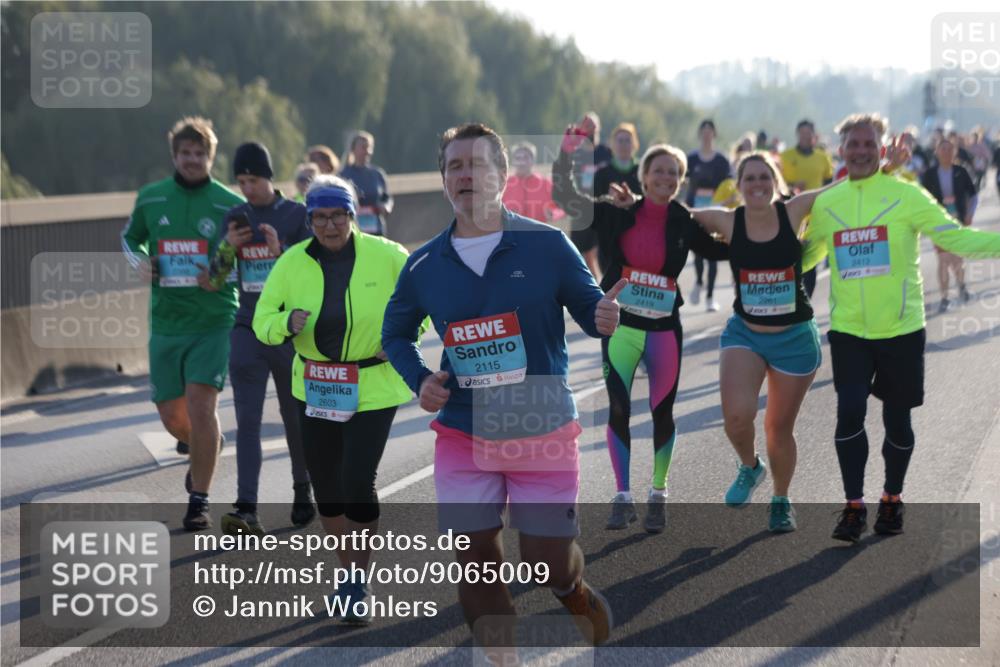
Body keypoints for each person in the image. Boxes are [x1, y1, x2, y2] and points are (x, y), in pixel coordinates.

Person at [382, 122, 621, 648]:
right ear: (444, 178)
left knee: (546, 563)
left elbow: (588, 308)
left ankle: (573, 590)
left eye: (478, 163)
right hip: (464, 430)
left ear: (503, 173)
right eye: (455, 165)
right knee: (474, 563)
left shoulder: (548, 245)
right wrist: (419, 378)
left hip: (540, 423)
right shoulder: (423, 263)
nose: (466, 174)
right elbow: (395, 333)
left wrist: (603, 314)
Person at [802, 113, 1000, 543]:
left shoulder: (907, 195)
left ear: (881, 148)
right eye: (852, 144)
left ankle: (891, 497)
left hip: (902, 330)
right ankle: (854, 506)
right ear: (841, 150)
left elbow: (957, 237)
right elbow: (805, 257)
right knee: (849, 411)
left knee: (897, 420)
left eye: (868, 144)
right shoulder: (828, 203)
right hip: (849, 330)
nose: (859, 150)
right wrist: (756, 257)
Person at [552, 116, 728, 534]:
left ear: (680, 180)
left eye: (673, 172)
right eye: (658, 170)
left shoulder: (684, 220)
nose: (665, 177)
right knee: (617, 408)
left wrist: (770, 223)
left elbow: (726, 251)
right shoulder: (618, 213)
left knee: (661, 410)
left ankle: (658, 493)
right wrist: (570, 146)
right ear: (644, 175)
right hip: (621, 327)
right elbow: (565, 195)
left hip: (665, 330)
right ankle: (622, 496)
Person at [253, 174, 415, 624]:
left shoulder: (388, 256)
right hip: (316, 384)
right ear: (308, 219)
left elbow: (419, 306)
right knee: (326, 486)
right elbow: (263, 318)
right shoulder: (290, 263)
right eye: (319, 217)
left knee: (357, 478)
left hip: (372, 385)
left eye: (337, 215)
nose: (329, 225)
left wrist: (402, 336)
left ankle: (357, 582)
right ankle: (346, 574)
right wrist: (284, 324)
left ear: (353, 213)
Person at [691, 152, 832, 532]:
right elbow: (674, 213)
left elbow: (842, 190)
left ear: (775, 181)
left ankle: (781, 498)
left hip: (794, 338)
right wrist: (631, 205)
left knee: (778, 428)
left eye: (764, 177)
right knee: (737, 418)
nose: (757, 184)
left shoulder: (793, 210)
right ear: (738, 186)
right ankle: (750, 467)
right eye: (749, 178)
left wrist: (887, 167)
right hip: (746, 333)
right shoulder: (727, 219)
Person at [121, 116, 243, 530]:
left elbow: (245, 252)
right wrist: (140, 261)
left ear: (211, 158)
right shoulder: (152, 198)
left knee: (201, 404)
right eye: (185, 153)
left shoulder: (228, 203)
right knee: (172, 417)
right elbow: (129, 238)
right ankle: (205, 447)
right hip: (167, 322)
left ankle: (199, 499)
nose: (192, 160)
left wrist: (220, 270)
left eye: (200, 154)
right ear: (174, 155)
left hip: (214, 319)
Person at [216, 142, 315, 536]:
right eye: (240, 181)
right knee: (247, 421)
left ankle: (302, 489)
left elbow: (316, 271)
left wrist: (283, 251)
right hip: (247, 327)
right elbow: (216, 276)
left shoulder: (295, 214)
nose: (246, 188)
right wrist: (228, 247)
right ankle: (246, 506)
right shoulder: (235, 216)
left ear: (269, 176)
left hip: (288, 330)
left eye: (253, 180)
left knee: (294, 416)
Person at [919, 137, 979, 311]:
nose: (946, 152)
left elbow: (974, 195)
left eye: (949, 149)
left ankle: (961, 285)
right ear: (936, 152)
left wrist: (969, 214)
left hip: (958, 220)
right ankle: (944, 297)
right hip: (939, 223)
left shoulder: (961, 171)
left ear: (954, 152)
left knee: (957, 259)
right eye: (942, 149)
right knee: (944, 260)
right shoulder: (929, 174)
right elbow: (922, 199)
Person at [780, 119, 835, 299]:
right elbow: (775, 184)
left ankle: (806, 301)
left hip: (815, 217)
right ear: (797, 135)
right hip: (790, 216)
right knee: (790, 261)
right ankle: (789, 299)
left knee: (810, 263)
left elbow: (829, 185)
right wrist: (792, 186)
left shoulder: (822, 157)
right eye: (802, 133)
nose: (805, 137)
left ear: (814, 136)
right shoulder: (785, 157)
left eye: (808, 134)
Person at [686, 119, 733, 311]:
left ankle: (710, 297)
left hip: (716, 209)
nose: (706, 134)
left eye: (709, 130)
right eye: (703, 130)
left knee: (712, 252)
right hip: (695, 208)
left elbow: (730, 183)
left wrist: (728, 201)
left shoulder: (721, 160)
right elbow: (681, 179)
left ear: (714, 134)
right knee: (697, 250)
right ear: (700, 134)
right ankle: (698, 281)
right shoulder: (692, 159)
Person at [566, 111, 613, 280]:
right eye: (587, 124)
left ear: (598, 127)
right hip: (580, 207)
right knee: (577, 253)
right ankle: (590, 289)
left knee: (597, 254)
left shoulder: (606, 152)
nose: (590, 129)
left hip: (602, 207)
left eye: (593, 125)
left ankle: (601, 288)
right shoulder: (576, 151)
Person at [339, 130, 393, 236]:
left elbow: (386, 197)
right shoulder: (343, 174)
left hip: (376, 228)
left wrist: (386, 206)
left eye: (369, 147)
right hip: (352, 228)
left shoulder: (377, 174)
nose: (367, 151)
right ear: (353, 149)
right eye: (363, 147)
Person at [501, 141, 564, 223]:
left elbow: (561, 207)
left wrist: (553, 214)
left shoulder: (546, 184)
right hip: (511, 233)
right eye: (518, 158)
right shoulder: (503, 184)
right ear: (512, 161)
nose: (521, 162)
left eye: (525, 158)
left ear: (533, 160)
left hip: (538, 233)